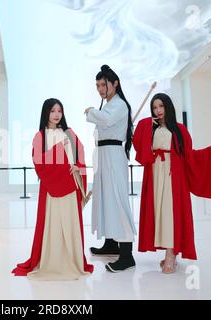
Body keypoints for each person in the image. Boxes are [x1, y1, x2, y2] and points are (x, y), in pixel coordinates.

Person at [133, 93, 211, 273]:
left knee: (170, 213)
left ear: (168, 107)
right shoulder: (149, 128)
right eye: (155, 107)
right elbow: (139, 145)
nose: (158, 111)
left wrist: (210, 151)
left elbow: (189, 154)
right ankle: (168, 251)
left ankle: (171, 255)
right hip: (154, 174)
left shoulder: (179, 129)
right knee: (158, 212)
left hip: (173, 176)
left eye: (161, 106)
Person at [12, 98, 93, 280]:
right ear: (46, 113)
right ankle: (52, 261)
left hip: (71, 184)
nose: (57, 115)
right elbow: (39, 162)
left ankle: (73, 260)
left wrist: (77, 166)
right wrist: (59, 149)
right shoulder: (40, 136)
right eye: (52, 111)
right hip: (51, 187)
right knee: (53, 224)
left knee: (70, 223)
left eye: (59, 111)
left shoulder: (70, 133)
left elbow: (80, 155)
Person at [84, 65, 137, 272]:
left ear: (115, 84)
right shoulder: (109, 105)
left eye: (103, 84)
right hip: (104, 155)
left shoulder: (120, 105)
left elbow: (105, 120)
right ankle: (111, 244)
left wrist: (90, 111)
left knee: (117, 199)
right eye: (97, 85)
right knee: (105, 199)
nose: (100, 89)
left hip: (114, 156)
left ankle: (127, 255)